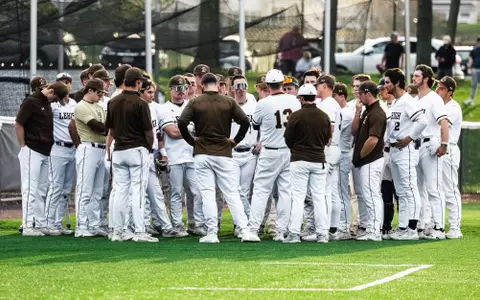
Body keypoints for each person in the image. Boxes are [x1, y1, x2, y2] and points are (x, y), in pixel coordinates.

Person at [177, 73, 258, 243]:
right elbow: (245, 122)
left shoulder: (195, 102)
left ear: (201, 85)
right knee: (232, 193)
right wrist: (235, 141)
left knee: (207, 193)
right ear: (217, 84)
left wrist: (192, 141)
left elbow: (182, 122)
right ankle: (245, 230)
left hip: (202, 153)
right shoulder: (228, 101)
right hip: (224, 152)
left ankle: (212, 232)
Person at [242, 69, 302, 242]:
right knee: (285, 191)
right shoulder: (294, 100)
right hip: (289, 151)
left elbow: (254, 123)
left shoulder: (263, 103)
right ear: (283, 83)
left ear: (268, 85)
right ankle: (281, 230)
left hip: (270, 150)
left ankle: (253, 229)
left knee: (261, 190)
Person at [106, 67, 157, 243]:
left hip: (118, 150)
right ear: (137, 83)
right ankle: (140, 231)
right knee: (138, 192)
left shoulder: (113, 102)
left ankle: (118, 232)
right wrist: (149, 148)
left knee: (120, 192)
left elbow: (111, 130)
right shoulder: (141, 103)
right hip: (137, 150)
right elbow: (149, 132)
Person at [16, 81, 69, 236]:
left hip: (45, 151)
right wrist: (23, 146)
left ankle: (40, 223)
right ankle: (27, 226)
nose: (55, 101)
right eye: (55, 98)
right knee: (30, 189)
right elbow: (18, 124)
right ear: (50, 91)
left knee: (41, 190)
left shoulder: (45, 102)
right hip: (32, 149)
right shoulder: (31, 102)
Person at [283, 84, 331, 243]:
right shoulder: (324, 116)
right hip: (318, 159)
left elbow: (288, 139)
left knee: (297, 197)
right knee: (319, 198)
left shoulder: (296, 116)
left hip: (299, 159)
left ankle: (294, 233)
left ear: (302, 99)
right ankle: (322, 233)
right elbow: (327, 139)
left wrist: (297, 149)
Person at [157, 75, 205, 236]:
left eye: (184, 88)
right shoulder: (164, 108)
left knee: (196, 191)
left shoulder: (192, 105)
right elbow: (172, 132)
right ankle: (177, 224)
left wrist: (185, 130)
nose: (181, 92)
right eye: (177, 89)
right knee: (176, 192)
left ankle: (195, 223)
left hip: (191, 155)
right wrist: (190, 129)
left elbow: (200, 128)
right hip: (174, 156)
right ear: (170, 90)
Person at [383, 68, 427, 240]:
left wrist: (410, 137)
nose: (385, 85)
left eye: (387, 82)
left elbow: (422, 121)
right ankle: (402, 228)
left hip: (405, 150)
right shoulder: (396, 102)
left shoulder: (408, 101)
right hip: (394, 149)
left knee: (409, 188)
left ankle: (412, 229)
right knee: (400, 191)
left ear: (397, 83)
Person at [139, 78, 184, 238]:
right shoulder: (135, 106)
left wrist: (163, 153)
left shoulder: (156, 108)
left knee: (156, 192)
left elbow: (158, 134)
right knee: (140, 193)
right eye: (149, 92)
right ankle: (144, 224)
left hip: (152, 154)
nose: (152, 95)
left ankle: (164, 226)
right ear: (140, 91)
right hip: (138, 152)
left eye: (153, 91)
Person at [412, 64, 449, 240]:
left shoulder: (434, 99)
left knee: (434, 188)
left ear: (426, 78)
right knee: (418, 188)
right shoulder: (415, 99)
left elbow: (443, 123)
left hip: (430, 144)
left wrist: (444, 144)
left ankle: (439, 227)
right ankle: (421, 225)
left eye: (417, 76)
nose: (414, 78)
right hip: (416, 146)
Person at [73, 79, 109, 238]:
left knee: (97, 190)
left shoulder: (99, 107)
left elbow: (106, 127)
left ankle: (94, 225)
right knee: (84, 190)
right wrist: (112, 128)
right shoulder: (81, 106)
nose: (101, 96)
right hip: (88, 147)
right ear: (91, 90)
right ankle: (81, 226)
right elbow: (98, 127)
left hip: (101, 149)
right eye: (99, 93)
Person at [351, 81, 387, 241]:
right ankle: (372, 228)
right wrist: (357, 112)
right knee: (369, 194)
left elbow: (373, 140)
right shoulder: (367, 111)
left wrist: (361, 156)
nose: (358, 96)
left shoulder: (377, 113)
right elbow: (354, 131)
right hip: (368, 161)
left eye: (360, 93)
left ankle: (375, 230)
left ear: (368, 93)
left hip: (372, 160)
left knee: (372, 195)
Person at [44, 73, 77, 235]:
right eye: (62, 82)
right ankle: (48, 222)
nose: (66, 85)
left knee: (66, 189)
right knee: (55, 187)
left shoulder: (75, 104)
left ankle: (57, 223)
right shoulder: (53, 105)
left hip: (72, 149)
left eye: (68, 82)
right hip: (57, 148)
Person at [435, 76, 463, 239]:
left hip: (449, 149)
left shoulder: (453, 107)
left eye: (442, 88)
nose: (438, 90)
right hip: (435, 149)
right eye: (438, 87)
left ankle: (455, 226)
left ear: (450, 91)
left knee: (450, 188)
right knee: (435, 189)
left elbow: (442, 125)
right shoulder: (437, 104)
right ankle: (435, 224)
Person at [229, 75, 258, 221]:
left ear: (247, 87)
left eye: (243, 85)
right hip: (233, 152)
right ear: (232, 88)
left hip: (249, 152)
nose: (241, 89)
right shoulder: (228, 105)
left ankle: (241, 223)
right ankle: (244, 220)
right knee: (235, 189)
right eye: (237, 86)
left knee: (245, 190)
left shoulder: (255, 106)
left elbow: (264, 127)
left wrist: (261, 142)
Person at [332, 83, 355, 240]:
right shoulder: (342, 111)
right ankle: (339, 225)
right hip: (339, 154)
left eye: (334, 96)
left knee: (342, 192)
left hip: (344, 154)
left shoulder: (346, 113)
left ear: (341, 96)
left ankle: (345, 226)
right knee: (337, 192)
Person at [376, 77, 397, 239]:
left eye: (383, 88)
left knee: (400, 192)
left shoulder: (398, 104)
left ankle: (406, 225)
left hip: (397, 150)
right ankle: (386, 225)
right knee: (385, 190)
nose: (381, 91)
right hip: (384, 152)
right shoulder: (381, 106)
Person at [464, 37, 480, 105]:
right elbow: (470, 60)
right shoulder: (474, 50)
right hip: (475, 69)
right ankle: (471, 100)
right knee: (474, 85)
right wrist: (469, 67)